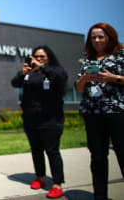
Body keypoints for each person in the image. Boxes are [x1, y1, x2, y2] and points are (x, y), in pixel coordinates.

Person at [74, 23, 124, 200]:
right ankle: (100, 196)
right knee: (97, 158)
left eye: (101, 36)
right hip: (92, 113)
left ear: (110, 37)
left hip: (116, 112)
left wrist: (114, 78)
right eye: (93, 37)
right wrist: (85, 79)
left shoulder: (120, 55)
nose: (97, 40)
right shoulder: (88, 59)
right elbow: (79, 88)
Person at [11, 45, 67, 199]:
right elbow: (15, 83)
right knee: (36, 150)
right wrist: (22, 74)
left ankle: (57, 184)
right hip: (31, 119)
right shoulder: (30, 73)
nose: (38, 59)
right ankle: (40, 177)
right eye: (36, 56)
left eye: (42, 56)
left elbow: (61, 78)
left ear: (48, 57)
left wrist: (42, 67)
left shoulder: (55, 71)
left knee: (52, 151)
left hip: (50, 119)